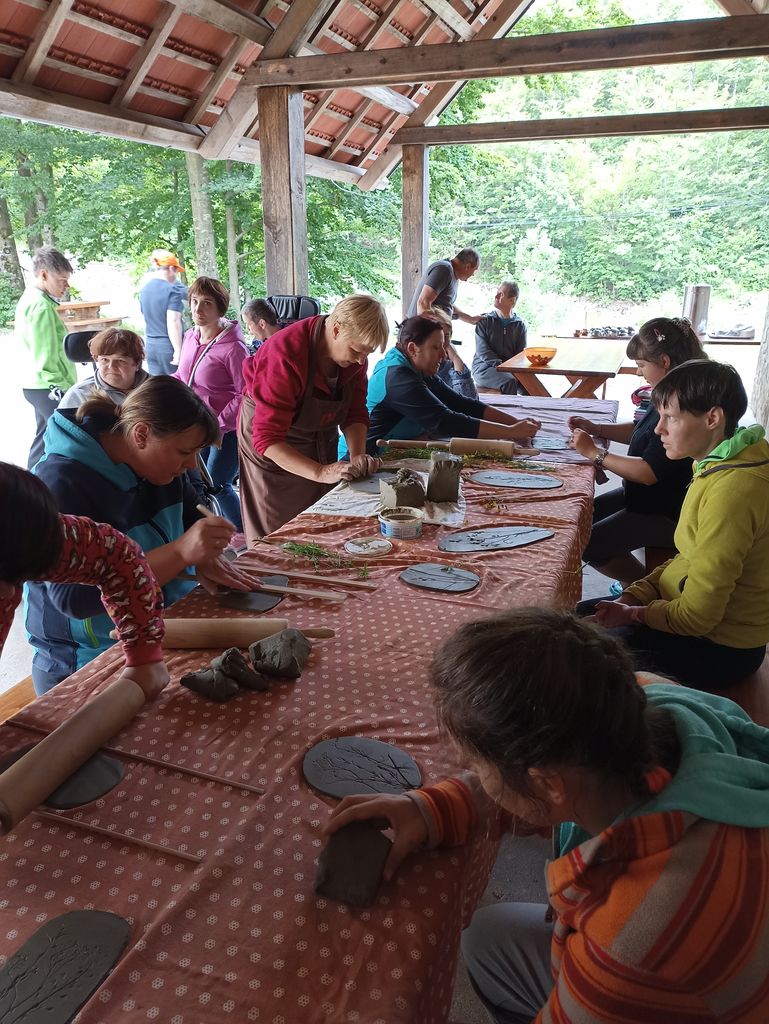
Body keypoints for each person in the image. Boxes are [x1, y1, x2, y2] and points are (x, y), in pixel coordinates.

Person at [326, 607, 769, 1024]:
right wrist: (431, 807)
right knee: (487, 938)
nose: (466, 768)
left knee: (490, 943)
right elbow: (546, 767)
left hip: (688, 977)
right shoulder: (638, 698)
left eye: (476, 763)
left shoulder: (634, 935)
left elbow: (628, 950)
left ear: (548, 784)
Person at [26, 376, 260, 694]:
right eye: (185, 452)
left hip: (156, 628)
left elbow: (193, 516)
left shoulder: (163, 467)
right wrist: (180, 554)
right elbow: (74, 600)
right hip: (86, 655)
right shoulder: (62, 481)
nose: (192, 464)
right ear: (141, 434)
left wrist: (207, 555)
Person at [591, 359, 769, 688]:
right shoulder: (721, 460)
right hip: (689, 617)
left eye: (670, 417)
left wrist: (634, 614)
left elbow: (698, 617)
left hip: (719, 646)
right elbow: (686, 558)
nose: (658, 429)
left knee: (572, 658)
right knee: (567, 623)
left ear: (712, 418)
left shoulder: (733, 491)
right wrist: (633, 597)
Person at [1, 462, 169, 700]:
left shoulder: (26, 530)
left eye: (19, 579)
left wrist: (144, 656)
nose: (11, 594)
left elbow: (116, 556)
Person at [237, 294, 388, 543]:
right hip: (271, 444)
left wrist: (357, 455)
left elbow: (354, 412)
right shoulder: (284, 352)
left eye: (366, 354)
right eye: (356, 351)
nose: (361, 361)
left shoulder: (355, 357)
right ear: (336, 330)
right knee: (281, 534)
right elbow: (268, 439)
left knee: (322, 516)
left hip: (317, 432)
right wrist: (320, 471)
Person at [568, 316, 706, 586]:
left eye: (641, 365)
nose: (638, 373)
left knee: (588, 543)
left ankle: (646, 588)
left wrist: (596, 454)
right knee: (581, 514)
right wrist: (598, 429)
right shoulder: (668, 390)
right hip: (645, 496)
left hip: (667, 511)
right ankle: (639, 585)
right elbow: (641, 430)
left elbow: (648, 472)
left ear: (664, 361)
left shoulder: (684, 402)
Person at [356, 316, 540, 457]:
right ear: (412, 349)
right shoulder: (398, 378)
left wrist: (514, 423)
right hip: (368, 458)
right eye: (436, 348)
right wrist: (510, 432)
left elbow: (461, 403)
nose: (444, 355)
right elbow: (444, 421)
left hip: (394, 451)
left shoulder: (416, 367)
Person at [174, 277, 248, 530]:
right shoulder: (190, 336)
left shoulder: (234, 347)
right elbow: (183, 376)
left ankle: (245, 535)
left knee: (218, 483)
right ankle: (215, 535)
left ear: (220, 308)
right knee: (200, 483)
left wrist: (218, 424)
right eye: (194, 301)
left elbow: (244, 393)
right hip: (196, 424)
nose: (198, 309)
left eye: (207, 303)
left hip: (225, 429)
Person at [15, 246, 77, 470]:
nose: (66, 286)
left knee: (43, 438)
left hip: (36, 385)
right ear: (43, 275)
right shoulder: (40, 306)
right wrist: (60, 388)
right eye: (61, 280)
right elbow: (45, 356)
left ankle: (28, 483)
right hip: (47, 386)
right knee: (70, 436)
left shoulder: (32, 299)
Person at [59, 327, 149, 410]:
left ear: (137, 364)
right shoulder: (79, 395)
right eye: (105, 360)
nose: (111, 366)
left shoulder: (155, 389)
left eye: (120, 361)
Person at [472, 282, 528, 395]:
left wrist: (513, 370)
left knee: (530, 384)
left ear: (512, 300)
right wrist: (503, 367)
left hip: (510, 369)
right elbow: (483, 352)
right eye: (497, 292)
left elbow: (520, 354)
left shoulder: (520, 325)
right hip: (484, 368)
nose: (496, 296)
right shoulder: (485, 321)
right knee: (510, 381)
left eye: (501, 294)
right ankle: (510, 407)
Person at [138, 249, 187, 374]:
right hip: (168, 347)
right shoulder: (173, 290)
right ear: (171, 268)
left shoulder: (144, 290)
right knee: (176, 384)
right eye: (176, 271)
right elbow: (173, 320)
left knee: (156, 385)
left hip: (151, 346)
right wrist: (178, 351)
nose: (176, 276)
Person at [406, 247, 482, 325]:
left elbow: (446, 304)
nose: (473, 274)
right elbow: (423, 302)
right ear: (468, 266)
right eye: (474, 270)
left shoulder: (452, 274)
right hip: (417, 329)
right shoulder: (444, 270)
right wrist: (431, 331)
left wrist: (471, 319)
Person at [425, 306, 479, 402]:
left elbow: (471, 401)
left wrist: (456, 360)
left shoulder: (448, 364)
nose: (443, 341)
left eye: (446, 336)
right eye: (439, 336)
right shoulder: (421, 367)